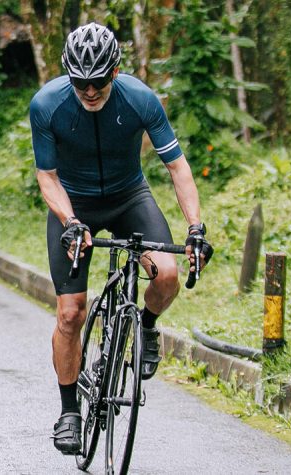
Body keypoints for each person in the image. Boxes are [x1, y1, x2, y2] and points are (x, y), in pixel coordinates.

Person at [28, 22, 213, 455]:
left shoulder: (140, 99)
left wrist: (195, 227)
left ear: (114, 72)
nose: (89, 92)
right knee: (71, 313)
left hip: (130, 196)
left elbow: (178, 167)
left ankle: (145, 326)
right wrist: (71, 220)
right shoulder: (47, 105)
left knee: (166, 274)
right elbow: (47, 177)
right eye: (80, 83)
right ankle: (70, 411)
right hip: (75, 204)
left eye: (97, 82)